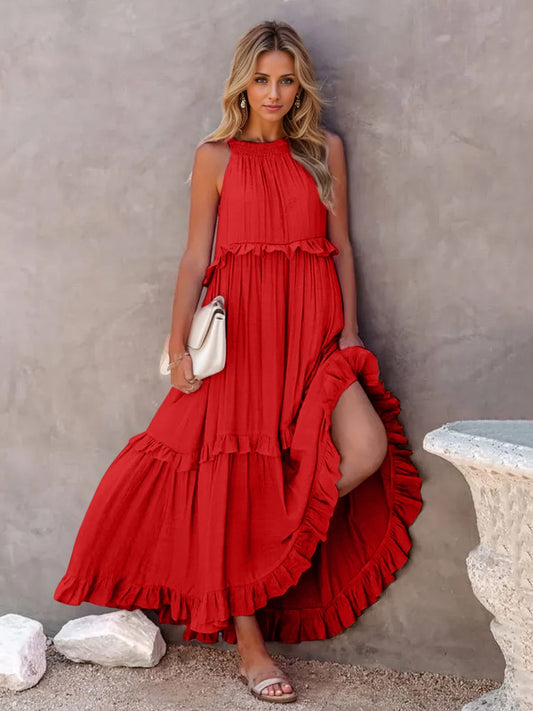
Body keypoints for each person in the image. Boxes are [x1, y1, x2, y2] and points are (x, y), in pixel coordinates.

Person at [54, 20, 423, 704]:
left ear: (299, 84)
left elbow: (341, 245)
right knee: (234, 477)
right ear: (242, 84)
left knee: (365, 447)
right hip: (244, 340)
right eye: (261, 79)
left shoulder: (324, 150)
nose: (275, 92)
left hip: (314, 335)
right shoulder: (215, 156)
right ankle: (250, 647)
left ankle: (264, 539)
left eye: (285, 79)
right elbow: (196, 256)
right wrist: (176, 346)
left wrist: (351, 333)